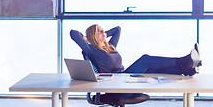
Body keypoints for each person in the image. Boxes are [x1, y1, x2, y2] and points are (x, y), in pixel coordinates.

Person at [70, 24, 202, 76]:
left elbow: (117, 29)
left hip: (124, 76)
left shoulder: (110, 47)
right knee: (145, 59)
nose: (103, 31)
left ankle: (186, 69)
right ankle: (184, 60)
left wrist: (103, 35)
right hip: (115, 81)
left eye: (102, 29)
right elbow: (73, 33)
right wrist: (88, 37)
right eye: (99, 31)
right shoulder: (91, 50)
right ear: (92, 36)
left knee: (152, 70)